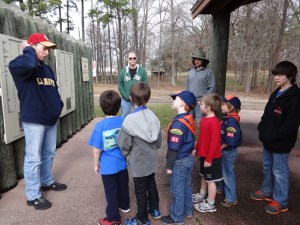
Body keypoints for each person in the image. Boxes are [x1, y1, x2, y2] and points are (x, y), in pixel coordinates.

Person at [9, 33, 66, 210]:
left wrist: (58, 106)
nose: (47, 52)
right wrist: (28, 49)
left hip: (49, 119)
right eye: (44, 48)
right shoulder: (19, 64)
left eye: (48, 49)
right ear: (32, 47)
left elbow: (54, 89)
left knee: (48, 153)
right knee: (33, 158)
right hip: (34, 120)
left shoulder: (47, 69)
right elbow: (30, 63)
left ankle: (47, 181)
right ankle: (33, 195)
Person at [250, 61, 300, 215]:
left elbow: (291, 124)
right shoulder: (276, 92)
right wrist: (261, 129)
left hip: (281, 143)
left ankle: (281, 201)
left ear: (290, 76)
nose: (276, 77)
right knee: (267, 167)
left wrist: (275, 137)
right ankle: (266, 191)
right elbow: (266, 114)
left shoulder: (295, 97)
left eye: (280, 74)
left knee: (279, 171)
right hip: (268, 140)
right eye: (275, 74)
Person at [117, 83, 162, 225]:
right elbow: (159, 143)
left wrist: (127, 155)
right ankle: (155, 209)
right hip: (151, 160)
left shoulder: (129, 120)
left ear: (131, 98)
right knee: (151, 183)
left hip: (138, 161)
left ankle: (142, 219)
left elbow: (124, 143)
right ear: (148, 98)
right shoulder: (154, 117)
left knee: (140, 189)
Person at [88, 90, 130, 225]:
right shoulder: (123, 121)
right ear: (119, 107)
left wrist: (96, 164)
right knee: (123, 185)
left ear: (102, 106)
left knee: (111, 191)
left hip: (107, 166)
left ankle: (113, 218)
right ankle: (125, 206)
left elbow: (96, 150)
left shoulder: (100, 126)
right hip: (122, 163)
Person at [160, 91, 197, 225]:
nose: (173, 101)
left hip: (180, 160)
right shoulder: (188, 118)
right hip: (188, 158)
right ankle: (188, 211)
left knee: (177, 190)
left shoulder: (178, 124)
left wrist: (169, 165)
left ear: (182, 103)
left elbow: (174, 147)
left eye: (175, 99)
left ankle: (176, 217)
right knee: (186, 187)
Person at [192, 93, 222, 213]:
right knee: (204, 176)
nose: (200, 105)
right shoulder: (204, 119)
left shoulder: (214, 122)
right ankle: (202, 194)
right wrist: (196, 148)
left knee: (211, 180)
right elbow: (201, 137)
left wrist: (209, 159)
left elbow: (214, 143)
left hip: (212, 158)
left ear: (209, 107)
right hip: (204, 156)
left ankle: (210, 203)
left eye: (202, 104)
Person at [218, 95, 243, 207]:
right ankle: (222, 189)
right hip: (226, 150)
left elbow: (230, 139)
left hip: (228, 151)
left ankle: (231, 198)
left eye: (223, 104)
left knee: (228, 174)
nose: (221, 106)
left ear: (231, 107)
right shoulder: (228, 118)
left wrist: (221, 147)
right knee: (224, 171)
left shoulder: (232, 121)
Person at [185, 49, 216, 122]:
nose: (196, 61)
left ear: (203, 61)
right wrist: (186, 98)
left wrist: (203, 100)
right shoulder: (190, 72)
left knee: (201, 123)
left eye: (199, 59)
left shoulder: (209, 72)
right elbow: (186, 86)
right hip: (190, 101)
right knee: (188, 122)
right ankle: (190, 134)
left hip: (201, 103)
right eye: (195, 59)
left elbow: (212, 87)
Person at [118, 51, 148, 117]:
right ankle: (124, 127)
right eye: (130, 58)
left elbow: (145, 85)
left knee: (141, 116)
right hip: (126, 100)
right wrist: (126, 96)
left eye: (134, 58)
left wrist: (140, 96)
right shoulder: (123, 71)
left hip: (139, 100)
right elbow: (120, 86)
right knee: (124, 117)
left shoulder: (142, 71)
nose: (132, 60)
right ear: (127, 59)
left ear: (136, 59)